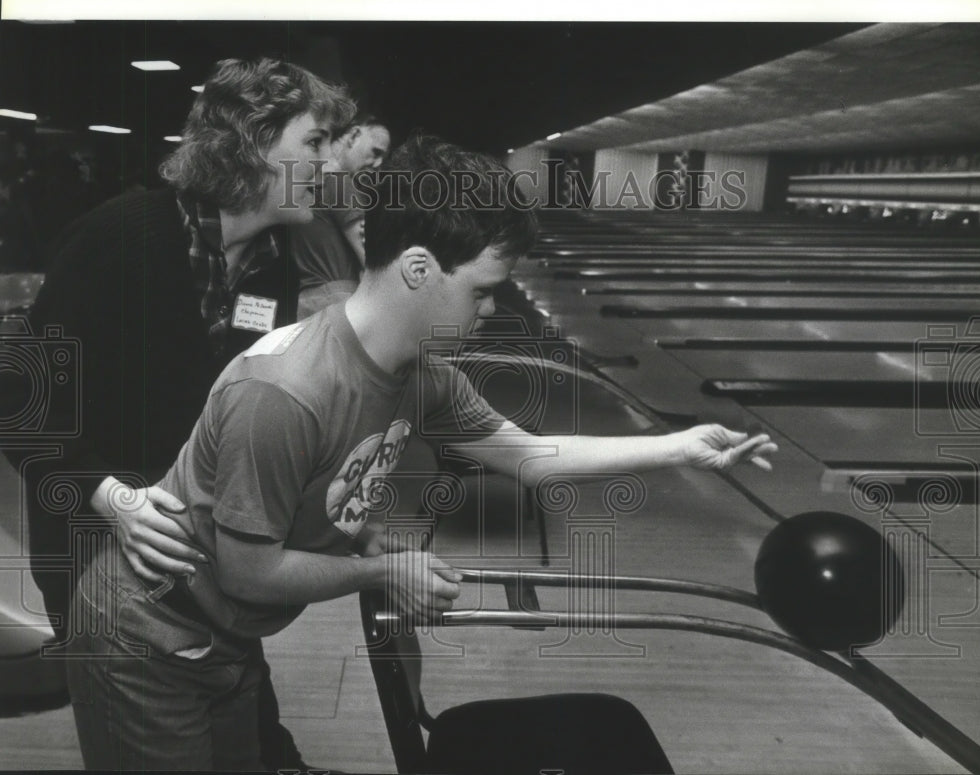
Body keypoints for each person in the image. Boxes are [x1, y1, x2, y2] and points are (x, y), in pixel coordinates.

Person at [64, 135, 777, 770]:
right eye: (483, 290)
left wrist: (679, 447)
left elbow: (530, 456)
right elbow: (251, 573)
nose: (494, 310)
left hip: (221, 637)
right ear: (416, 267)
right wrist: (381, 567)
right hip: (145, 639)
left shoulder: (422, 374)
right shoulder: (284, 390)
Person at [2, 57, 355, 770]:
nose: (329, 164)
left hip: (196, 545)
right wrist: (113, 496)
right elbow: (19, 406)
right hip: (93, 542)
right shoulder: (120, 239)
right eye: (315, 143)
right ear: (255, 141)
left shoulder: (273, 266)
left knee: (241, 716)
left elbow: (233, 407)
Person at [292, 115, 391, 318]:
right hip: (339, 300)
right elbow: (370, 255)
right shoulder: (339, 182)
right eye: (376, 151)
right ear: (354, 135)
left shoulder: (306, 186)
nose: (378, 163)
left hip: (305, 302)